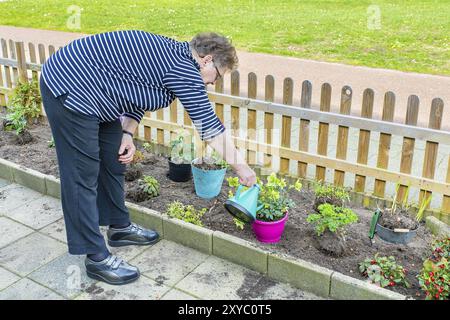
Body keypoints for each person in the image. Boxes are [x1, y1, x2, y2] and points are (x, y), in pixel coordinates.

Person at [39, 30, 257, 285]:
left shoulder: (174, 57)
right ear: (206, 60)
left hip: (98, 91)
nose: (212, 84)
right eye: (217, 76)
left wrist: (126, 132)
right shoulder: (184, 69)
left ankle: (119, 227)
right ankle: (95, 257)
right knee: (81, 175)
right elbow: (209, 127)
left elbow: (135, 87)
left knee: (113, 160)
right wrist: (243, 169)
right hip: (70, 87)